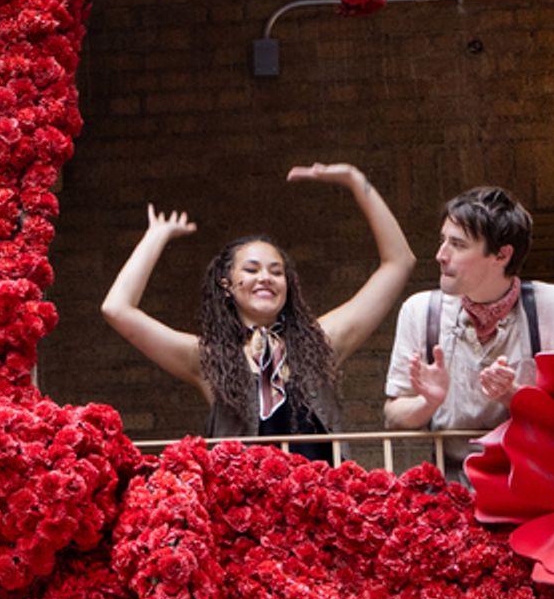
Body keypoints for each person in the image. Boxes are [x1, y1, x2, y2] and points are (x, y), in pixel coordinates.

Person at [102, 163, 415, 460]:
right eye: (251, 270)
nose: (265, 277)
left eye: (276, 272)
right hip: (243, 512)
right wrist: (155, 237)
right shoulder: (208, 358)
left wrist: (355, 180)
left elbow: (398, 263)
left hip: (319, 506)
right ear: (227, 284)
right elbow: (117, 309)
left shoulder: (322, 342)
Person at [383, 186, 554, 469]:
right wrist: (428, 403)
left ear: (502, 255)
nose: (441, 254)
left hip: (534, 481)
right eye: (443, 241)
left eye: (458, 244)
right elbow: (393, 416)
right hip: (450, 486)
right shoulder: (420, 311)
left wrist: (514, 396)